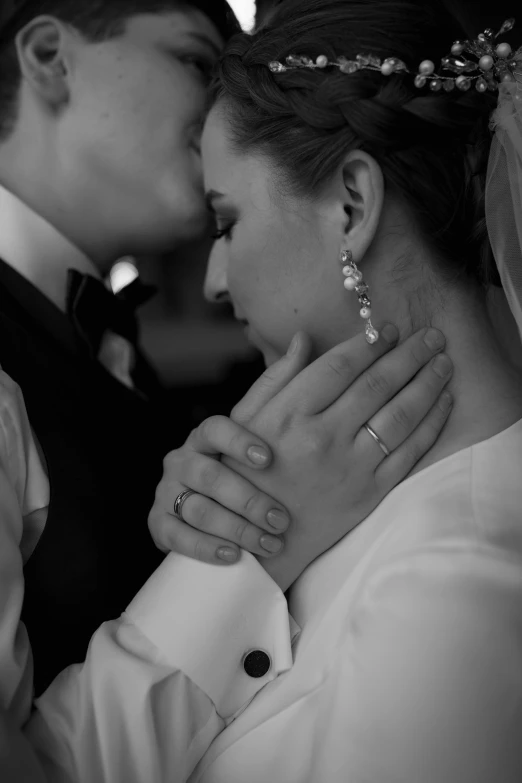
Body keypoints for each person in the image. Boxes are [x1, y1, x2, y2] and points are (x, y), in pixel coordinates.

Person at [0, 1, 455, 779]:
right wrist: (240, 556)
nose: (224, 103)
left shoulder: (124, 354)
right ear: (49, 54)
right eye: (196, 61)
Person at [171, 0, 522, 779]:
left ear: (353, 207)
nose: (215, 280)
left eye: (226, 224)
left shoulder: (456, 589)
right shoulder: (315, 497)